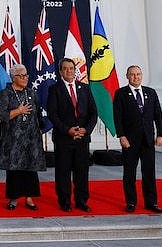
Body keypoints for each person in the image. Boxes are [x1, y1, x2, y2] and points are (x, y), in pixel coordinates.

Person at [47, 57, 98, 212]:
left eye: (71, 68)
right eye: (65, 68)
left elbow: (93, 113)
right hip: (64, 138)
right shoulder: (54, 89)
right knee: (63, 171)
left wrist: (86, 130)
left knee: (82, 171)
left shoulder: (85, 88)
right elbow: (53, 114)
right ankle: (64, 201)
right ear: (61, 71)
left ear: (75, 71)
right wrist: (68, 130)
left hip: (82, 137)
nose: (69, 71)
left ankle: (81, 201)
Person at [113, 64, 162, 214]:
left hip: (148, 140)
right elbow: (118, 117)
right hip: (130, 140)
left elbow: (158, 115)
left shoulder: (151, 93)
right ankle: (131, 202)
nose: (135, 77)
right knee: (129, 173)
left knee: (149, 172)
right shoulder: (121, 94)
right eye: (132, 74)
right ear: (127, 76)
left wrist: (160, 134)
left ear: (142, 76)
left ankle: (151, 202)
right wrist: (121, 136)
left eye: (138, 74)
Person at [0, 63, 45, 210]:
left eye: (26, 75)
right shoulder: (6, 94)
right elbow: (0, 114)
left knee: (31, 169)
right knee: (14, 170)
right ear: (13, 77)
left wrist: (40, 128)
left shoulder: (31, 93)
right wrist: (18, 110)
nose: (25, 78)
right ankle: (14, 198)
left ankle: (29, 198)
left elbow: (38, 112)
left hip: (31, 139)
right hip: (13, 140)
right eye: (21, 76)